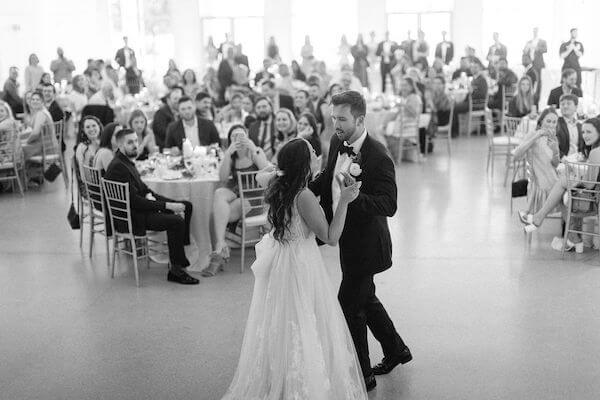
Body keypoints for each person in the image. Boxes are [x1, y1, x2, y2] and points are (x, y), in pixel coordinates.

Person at [222, 135, 367, 399]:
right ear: (304, 163)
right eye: (312, 151)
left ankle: (278, 378)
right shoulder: (304, 197)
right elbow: (331, 238)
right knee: (303, 319)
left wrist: (275, 168)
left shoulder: (278, 186)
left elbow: (260, 176)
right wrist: (345, 200)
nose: (316, 154)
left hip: (281, 261)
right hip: (301, 264)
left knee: (283, 320)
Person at [309, 90, 411, 391]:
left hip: (368, 244)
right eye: (333, 117)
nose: (335, 124)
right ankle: (396, 350)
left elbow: (389, 205)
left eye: (342, 118)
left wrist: (355, 197)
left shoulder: (379, 156)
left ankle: (363, 373)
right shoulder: (337, 142)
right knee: (365, 298)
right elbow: (328, 177)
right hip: (344, 239)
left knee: (348, 303)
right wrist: (301, 189)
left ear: (360, 119)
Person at [104, 129, 198, 285]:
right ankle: (176, 269)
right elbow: (136, 202)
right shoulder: (119, 167)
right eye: (130, 142)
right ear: (120, 145)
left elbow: (144, 190)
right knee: (176, 222)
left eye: (136, 141)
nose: (135, 145)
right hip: (132, 218)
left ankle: (181, 248)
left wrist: (171, 202)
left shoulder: (125, 161)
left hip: (137, 210)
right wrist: (167, 205)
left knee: (187, 206)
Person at [520, 118, 600, 251]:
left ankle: (541, 219)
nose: (585, 135)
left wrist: (577, 179)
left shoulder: (596, 152)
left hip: (594, 198)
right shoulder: (594, 150)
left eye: (589, 132)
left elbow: (590, 185)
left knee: (563, 183)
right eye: (584, 132)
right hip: (594, 193)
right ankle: (573, 239)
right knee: (563, 185)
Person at [202, 125, 270, 277]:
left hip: (254, 199)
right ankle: (220, 245)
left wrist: (253, 148)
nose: (238, 139)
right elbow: (223, 178)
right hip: (237, 194)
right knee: (219, 193)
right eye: (234, 136)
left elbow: (266, 169)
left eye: (241, 135)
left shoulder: (255, 152)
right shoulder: (232, 156)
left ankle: (219, 252)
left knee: (216, 215)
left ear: (247, 136)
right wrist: (227, 154)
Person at [513, 108, 560, 215]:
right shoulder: (532, 134)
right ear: (541, 121)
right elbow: (516, 155)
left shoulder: (554, 138)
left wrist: (555, 151)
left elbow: (556, 164)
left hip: (552, 181)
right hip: (539, 185)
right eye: (548, 121)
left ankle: (564, 228)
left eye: (554, 122)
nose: (551, 125)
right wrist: (536, 136)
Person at [383, 77, 422, 161]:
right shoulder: (404, 98)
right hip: (401, 125)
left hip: (407, 127)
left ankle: (387, 158)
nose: (403, 87)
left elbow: (415, 113)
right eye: (402, 85)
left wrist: (403, 105)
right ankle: (387, 156)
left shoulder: (414, 97)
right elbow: (396, 114)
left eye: (405, 85)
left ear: (411, 87)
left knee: (379, 132)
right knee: (381, 129)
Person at [452, 59, 487, 137]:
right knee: (453, 105)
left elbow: (482, 94)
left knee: (454, 108)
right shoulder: (474, 79)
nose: (473, 69)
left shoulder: (482, 80)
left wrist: (472, 91)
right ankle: (454, 130)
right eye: (472, 67)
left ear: (480, 68)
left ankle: (454, 132)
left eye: (476, 67)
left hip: (476, 104)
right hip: (471, 102)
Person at [22, 91, 55, 166]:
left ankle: (25, 176)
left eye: (37, 100)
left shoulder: (41, 113)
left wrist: (26, 142)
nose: (34, 101)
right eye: (33, 99)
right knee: (20, 147)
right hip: (45, 145)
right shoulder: (39, 112)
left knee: (18, 150)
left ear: (42, 102)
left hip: (46, 148)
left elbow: (35, 133)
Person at [152, 86, 183, 150]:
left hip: (179, 146)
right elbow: (162, 132)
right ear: (168, 100)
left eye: (180, 99)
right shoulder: (161, 113)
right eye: (175, 99)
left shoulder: (181, 112)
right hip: (166, 147)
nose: (178, 101)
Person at [74, 115, 103, 184]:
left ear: (99, 126)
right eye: (87, 127)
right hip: (92, 187)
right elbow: (83, 177)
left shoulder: (104, 142)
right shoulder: (82, 148)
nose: (91, 129)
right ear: (83, 130)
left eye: (94, 125)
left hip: (107, 183)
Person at [555, 94, 584, 159]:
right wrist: (563, 158)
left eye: (568, 103)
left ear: (576, 107)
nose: (565, 106)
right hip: (562, 162)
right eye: (562, 104)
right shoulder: (556, 123)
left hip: (578, 162)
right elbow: (552, 145)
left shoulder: (580, 126)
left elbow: (582, 146)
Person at [523, 27, 547, 98]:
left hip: (538, 64)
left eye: (536, 31)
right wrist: (526, 48)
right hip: (529, 64)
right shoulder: (529, 42)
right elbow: (524, 52)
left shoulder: (542, 41)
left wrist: (536, 48)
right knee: (528, 80)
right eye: (534, 31)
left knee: (538, 82)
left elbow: (545, 49)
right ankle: (527, 97)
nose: (535, 32)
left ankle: (536, 98)